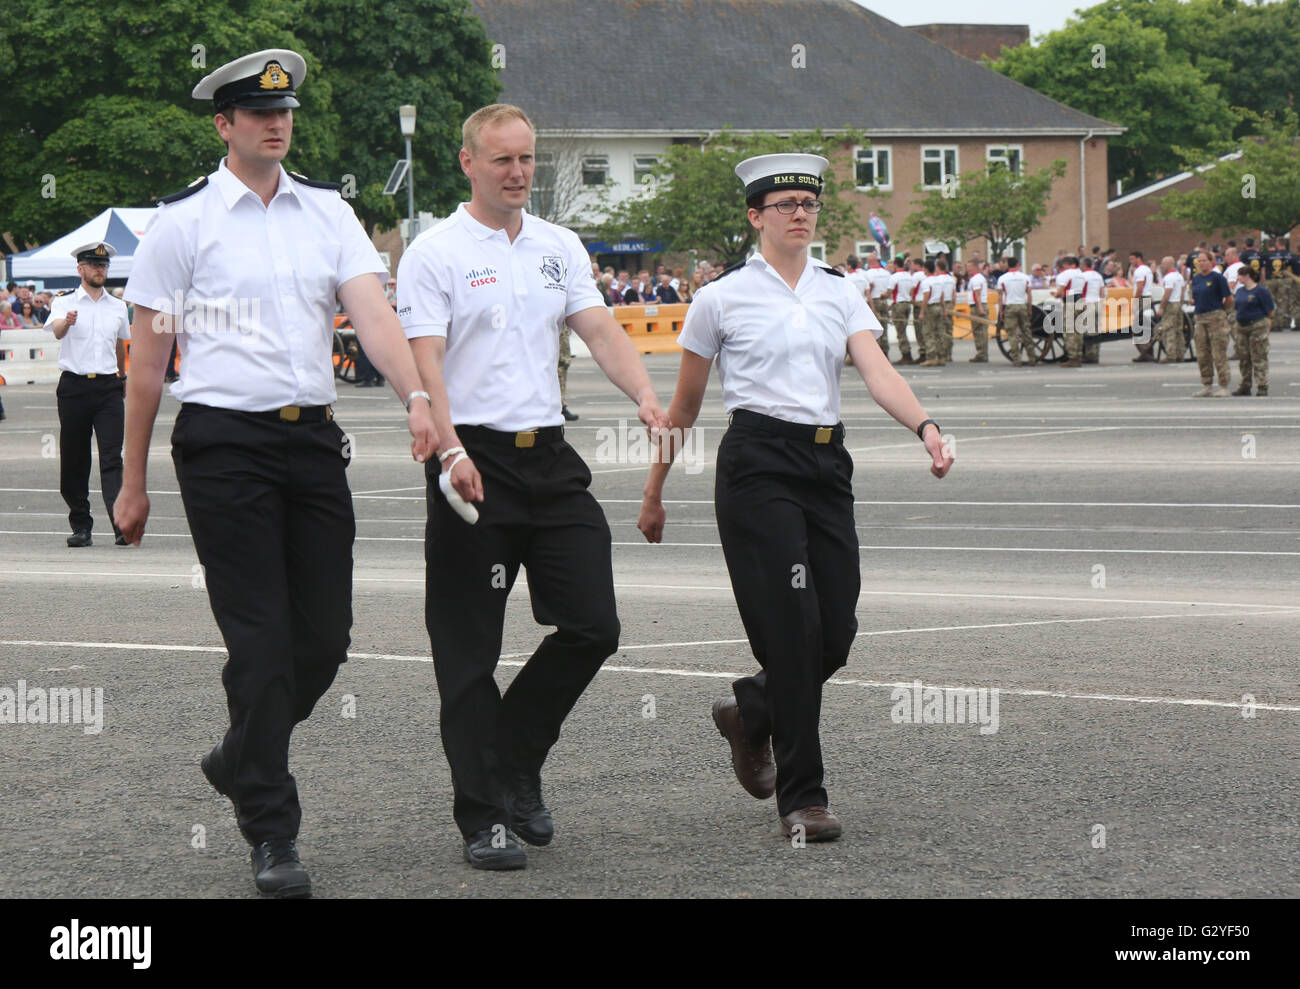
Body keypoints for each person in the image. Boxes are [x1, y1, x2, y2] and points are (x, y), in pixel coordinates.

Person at [115, 49, 438, 899]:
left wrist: (416, 396)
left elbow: (372, 314)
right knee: (260, 646)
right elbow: (147, 362)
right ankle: (272, 828)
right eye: (258, 113)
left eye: (285, 110)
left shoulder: (328, 213)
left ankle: (239, 754)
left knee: (324, 640)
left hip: (312, 444)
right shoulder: (181, 224)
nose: (276, 122)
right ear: (224, 124)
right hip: (223, 447)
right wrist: (130, 479)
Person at [637, 152, 953, 842]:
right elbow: (684, 408)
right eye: (785, 205)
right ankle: (803, 799)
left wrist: (925, 426)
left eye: (809, 204)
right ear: (756, 217)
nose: (801, 214)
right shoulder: (720, 298)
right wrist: (654, 490)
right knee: (793, 629)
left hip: (824, 462)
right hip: (756, 465)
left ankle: (751, 708)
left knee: (835, 632)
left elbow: (876, 370)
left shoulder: (839, 291)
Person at [396, 103, 668, 871]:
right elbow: (424, 360)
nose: (518, 172)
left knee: (594, 624)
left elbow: (600, 329)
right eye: (503, 159)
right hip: (471, 461)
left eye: (526, 159)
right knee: (468, 651)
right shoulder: (435, 251)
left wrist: (644, 396)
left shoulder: (558, 245)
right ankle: (483, 813)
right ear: (468, 163)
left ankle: (514, 756)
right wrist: (448, 451)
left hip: (548, 461)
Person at [44, 242, 130, 547]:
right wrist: (66, 323)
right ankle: (81, 525)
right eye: (93, 265)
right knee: (75, 458)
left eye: (103, 266)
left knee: (112, 458)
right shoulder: (64, 301)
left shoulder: (118, 306)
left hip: (108, 387)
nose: (99, 270)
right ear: (80, 269)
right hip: (74, 388)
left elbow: (120, 343)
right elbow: (55, 330)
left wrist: (122, 375)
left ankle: (121, 524)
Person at [1187, 252, 1233, 397]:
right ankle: (1206, 385)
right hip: (1200, 318)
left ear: (1211, 262)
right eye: (1199, 261)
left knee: (1218, 352)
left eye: (1204, 261)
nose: (1201, 263)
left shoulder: (1217, 278)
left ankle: (1224, 385)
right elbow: (1193, 297)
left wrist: (1221, 310)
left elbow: (1229, 298)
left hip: (1215, 317)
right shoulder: (1196, 279)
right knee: (1202, 353)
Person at [1232, 266, 1273, 396]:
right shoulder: (1239, 291)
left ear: (1247, 275)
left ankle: (1262, 385)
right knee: (1244, 357)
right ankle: (1245, 385)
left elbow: (1269, 310)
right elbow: (1237, 308)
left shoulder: (1261, 291)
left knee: (1259, 356)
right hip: (1241, 327)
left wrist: (1264, 322)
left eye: (1240, 275)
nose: (1238, 279)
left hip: (1257, 326)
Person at [998, 256, 1033, 366]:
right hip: (1022, 305)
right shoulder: (1025, 277)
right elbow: (1029, 294)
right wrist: (1030, 307)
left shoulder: (1002, 278)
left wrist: (1001, 311)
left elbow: (1000, 296)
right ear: (1018, 264)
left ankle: (1017, 359)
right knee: (1026, 332)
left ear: (1008, 265)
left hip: (1010, 305)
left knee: (1012, 334)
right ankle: (1032, 358)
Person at [1053, 255, 1085, 368]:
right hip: (1081, 300)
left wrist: (1055, 294)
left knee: (1070, 331)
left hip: (1070, 300)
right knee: (1079, 331)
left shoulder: (1065, 275)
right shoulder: (1081, 274)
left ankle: (1072, 357)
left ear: (1065, 265)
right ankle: (1079, 355)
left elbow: (1060, 291)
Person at [1155, 255, 1186, 363]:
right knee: (1179, 330)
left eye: (1163, 263)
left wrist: (1161, 308)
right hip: (1178, 303)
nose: (1162, 266)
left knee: (1169, 329)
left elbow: (1167, 294)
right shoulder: (1179, 276)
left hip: (1170, 304)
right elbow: (1182, 291)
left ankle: (1171, 355)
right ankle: (1180, 354)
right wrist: (1181, 303)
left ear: (1168, 264)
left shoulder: (1168, 278)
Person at [888, 256, 917, 364]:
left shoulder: (894, 277)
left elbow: (889, 292)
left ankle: (906, 354)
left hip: (899, 304)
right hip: (907, 303)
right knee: (904, 328)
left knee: (900, 331)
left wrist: (884, 296)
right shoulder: (909, 276)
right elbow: (912, 290)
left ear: (895, 265)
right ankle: (907, 353)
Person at [864, 253, 893, 358]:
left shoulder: (867, 274)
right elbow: (890, 289)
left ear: (869, 262)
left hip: (874, 301)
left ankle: (878, 353)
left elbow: (869, 288)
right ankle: (885, 352)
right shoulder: (886, 273)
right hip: (884, 300)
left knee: (875, 329)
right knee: (884, 327)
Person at [1077, 256, 1104, 364]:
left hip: (1087, 303)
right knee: (1096, 331)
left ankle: (1089, 355)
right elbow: (1102, 291)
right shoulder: (1098, 276)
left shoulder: (1082, 276)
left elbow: (1080, 291)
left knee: (1086, 332)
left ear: (1084, 265)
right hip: (1097, 303)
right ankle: (1095, 354)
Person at [1129, 251, 1155, 361]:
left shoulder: (1139, 271)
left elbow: (1140, 288)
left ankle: (1145, 352)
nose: (1131, 261)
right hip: (1148, 297)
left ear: (1138, 258)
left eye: (1132, 259)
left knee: (1137, 328)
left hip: (1142, 299)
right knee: (1146, 326)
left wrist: (1134, 302)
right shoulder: (1147, 269)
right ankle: (1148, 352)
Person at [965, 260, 988, 362]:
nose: (967, 270)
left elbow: (976, 294)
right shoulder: (979, 278)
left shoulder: (975, 279)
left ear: (975, 267)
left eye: (969, 268)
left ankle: (981, 354)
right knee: (982, 331)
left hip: (977, 306)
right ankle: (983, 353)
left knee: (979, 331)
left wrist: (979, 308)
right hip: (980, 304)